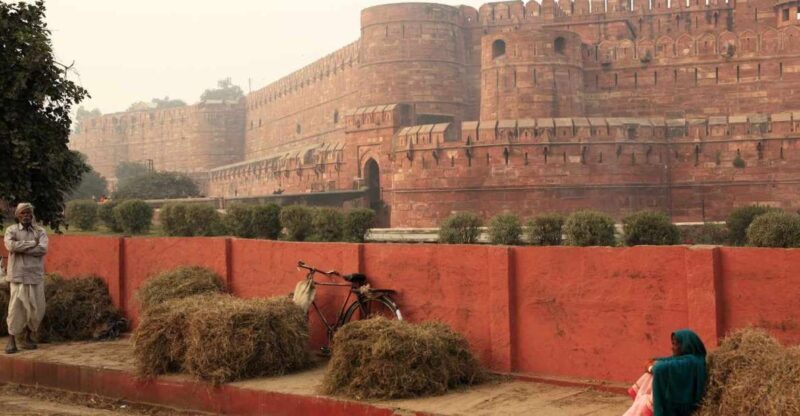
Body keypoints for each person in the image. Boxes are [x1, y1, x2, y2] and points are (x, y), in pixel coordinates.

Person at [624, 329, 708, 416]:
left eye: (675, 344)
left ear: (685, 345)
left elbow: (659, 368)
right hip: (674, 400)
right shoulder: (686, 359)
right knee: (644, 395)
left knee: (643, 401)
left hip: (679, 405)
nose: (672, 347)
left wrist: (650, 368)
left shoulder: (690, 361)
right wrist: (651, 364)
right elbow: (659, 361)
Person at [3, 203, 48, 354]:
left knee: (37, 308)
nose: (26, 216)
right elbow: (10, 246)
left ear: (32, 214)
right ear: (18, 215)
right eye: (23, 213)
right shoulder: (11, 230)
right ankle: (11, 341)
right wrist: (31, 244)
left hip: (35, 275)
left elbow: (42, 249)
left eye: (28, 213)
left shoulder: (40, 231)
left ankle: (28, 338)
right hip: (18, 275)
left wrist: (21, 248)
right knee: (16, 308)